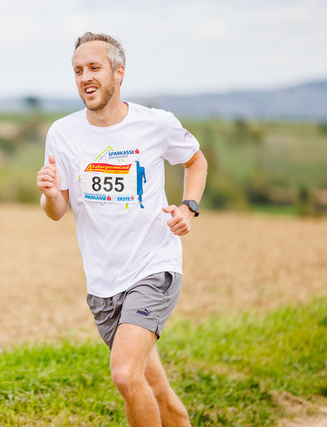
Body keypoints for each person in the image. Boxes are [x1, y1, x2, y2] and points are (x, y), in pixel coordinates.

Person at [36, 32, 207, 427]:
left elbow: (196, 161)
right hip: (103, 283)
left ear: (119, 72)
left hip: (153, 266)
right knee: (153, 386)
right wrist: (50, 194)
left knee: (125, 374)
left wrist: (189, 206)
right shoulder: (62, 133)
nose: (85, 77)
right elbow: (57, 211)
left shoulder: (155, 124)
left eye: (94, 67)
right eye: (78, 70)